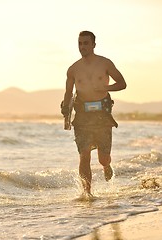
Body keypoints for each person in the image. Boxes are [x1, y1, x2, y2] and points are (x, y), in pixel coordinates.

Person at [61, 31, 126, 195]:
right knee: (84, 155)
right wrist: (65, 108)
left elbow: (122, 83)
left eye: (86, 43)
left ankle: (106, 165)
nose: (82, 46)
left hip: (102, 114)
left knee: (103, 157)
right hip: (82, 115)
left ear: (93, 45)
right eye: (80, 43)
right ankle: (87, 193)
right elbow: (68, 93)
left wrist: (106, 87)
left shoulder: (105, 63)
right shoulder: (73, 69)